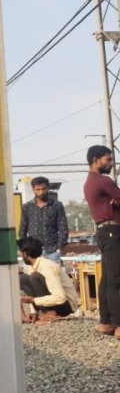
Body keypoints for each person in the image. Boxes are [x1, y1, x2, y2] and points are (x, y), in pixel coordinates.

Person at [84, 144, 120, 337]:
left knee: (107, 278)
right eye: (108, 160)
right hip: (114, 231)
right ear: (96, 159)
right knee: (116, 279)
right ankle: (119, 323)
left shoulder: (89, 182)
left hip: (103, 232)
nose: (111, 164)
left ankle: (105, 322)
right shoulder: (103, 181)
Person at [18, 237, 76, 323]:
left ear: (25, 254)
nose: (20, 256)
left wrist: (33, 300)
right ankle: (43, 312)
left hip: (66, 306)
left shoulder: (46, 266)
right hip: (52, 303)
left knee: (35, 277)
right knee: (23, 278)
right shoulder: (32, 267)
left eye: (21, 253)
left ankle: (50, 312)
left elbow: (60, 297)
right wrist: (34, 311)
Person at [18, 176, 69, 263]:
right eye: (38, 189)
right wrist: (24, 250)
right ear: (33, 189)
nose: (41, 192)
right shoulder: (27, 207)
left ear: (47, 188)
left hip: (52, 251)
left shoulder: (56, 205)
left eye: (43, 189)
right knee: (33, 276)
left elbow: (63, 227)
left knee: (52, 276)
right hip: (33, 252)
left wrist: (59, 248)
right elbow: (23, 229)